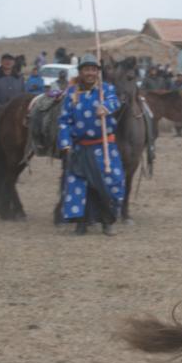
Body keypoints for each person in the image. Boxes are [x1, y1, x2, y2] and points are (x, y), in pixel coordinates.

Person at [57, 54, 124, 236]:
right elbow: (64, 120)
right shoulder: (72, 93)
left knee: (108, 184)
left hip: (104, 148)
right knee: (80, 185)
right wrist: (65, 144)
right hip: (80, 148)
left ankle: (106, 222)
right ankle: (81, 224)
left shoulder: (106, 90)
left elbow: (114, 102)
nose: (90, 73)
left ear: (97, 72)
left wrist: (106, 107)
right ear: (80, 72)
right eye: (86, 69)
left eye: (93, 69)